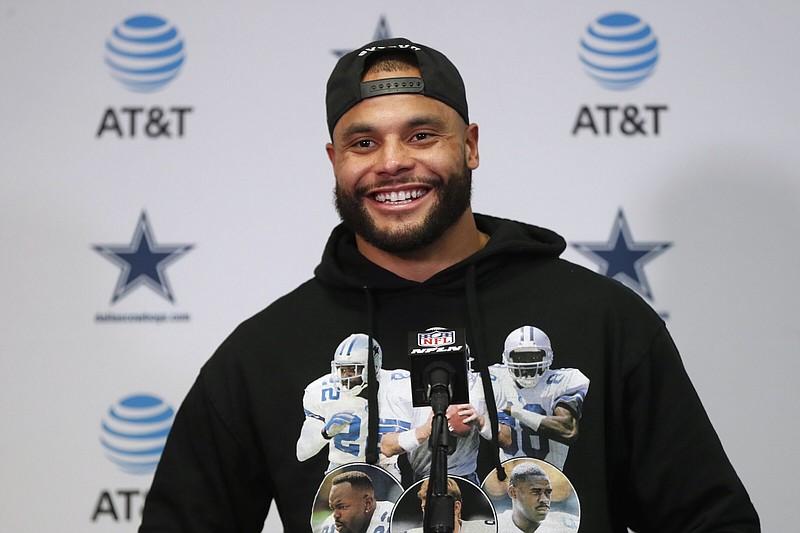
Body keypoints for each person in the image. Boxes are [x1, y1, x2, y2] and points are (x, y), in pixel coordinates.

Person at [139, 37, 760, 532]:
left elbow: (708, 520)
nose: (390, 163)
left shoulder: (601, 318)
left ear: (470, 146)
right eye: (363, 143)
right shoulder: (264, 351)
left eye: (421, 135)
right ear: (335, 161)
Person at [296, 333, 412, 478]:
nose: (346, 376)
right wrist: (325, 433)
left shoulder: (400, 385)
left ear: (373, 366)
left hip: (385, 470)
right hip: (340, 470)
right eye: (342, 370)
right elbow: (302, 452)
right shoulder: (321, 391)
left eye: (353, 370)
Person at [491, 326, 590, 469]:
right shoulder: (494, 378)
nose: (527, 363)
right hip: (508, 476)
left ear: (548, 356)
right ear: (507, 358)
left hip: (553, 476)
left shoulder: (564, 380)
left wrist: (515, 411)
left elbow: (568, 430)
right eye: (519, 357)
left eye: (534, 356)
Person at [496, 462, 577, 532]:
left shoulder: (566, 525)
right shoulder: (497, 525)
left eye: (548, 492)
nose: (545, 500)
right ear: (513, 492)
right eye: (536, 492)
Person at [403, 477, 496, 533]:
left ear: (456, 508)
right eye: (425, 509)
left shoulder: (485, 530)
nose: (428, 516)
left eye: (435, 509)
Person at [316, 470, 393, 533]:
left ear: (367, 504)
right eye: (333, 508)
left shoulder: (394, 517)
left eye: (342, 507)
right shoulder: (329, 525)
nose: (335, 515)